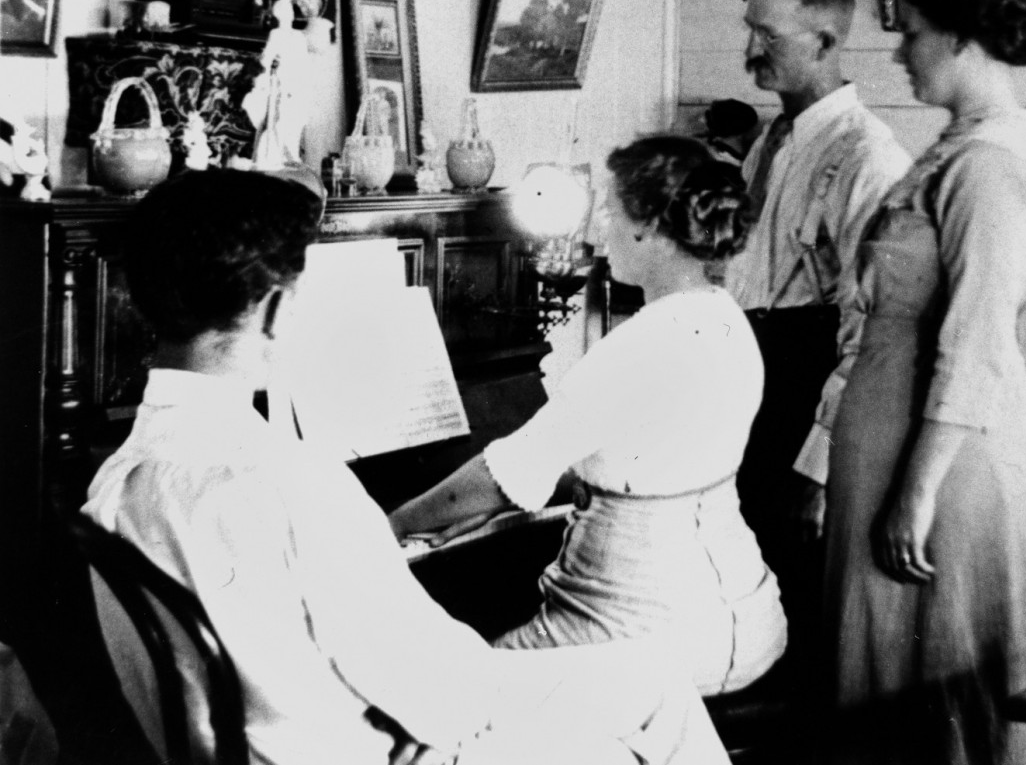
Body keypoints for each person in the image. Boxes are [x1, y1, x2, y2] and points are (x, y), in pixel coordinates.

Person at [84, 169, 729, 765]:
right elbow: (447, 700)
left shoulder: (112, 483)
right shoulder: (286, 480)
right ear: (276, 311)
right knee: (648, 706)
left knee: (644, 679)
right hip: (384, 751)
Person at [391, 136, 787, 697]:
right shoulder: (726, 319)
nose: (599, 229)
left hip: (642, 641)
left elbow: (490, 480)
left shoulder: (641, 344)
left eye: (609, 210)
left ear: (647, 224)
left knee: (442, 696)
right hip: (745, 618)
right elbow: (652, 460)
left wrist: (390, 526)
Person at [822, 0, 1026, 765]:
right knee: (900, 692)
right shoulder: (955, 147)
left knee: (949, 691)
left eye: (913, 34)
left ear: (961, 37)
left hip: (949, 472)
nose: (900, 52)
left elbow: (976, 341)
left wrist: (914, 493)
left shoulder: (989, 165)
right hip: (901, 446)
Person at [725, 0, 909, 739]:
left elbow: (875, 327)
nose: (751, 48)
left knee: (798, 598)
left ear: (827, 37)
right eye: (750, 27)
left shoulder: (869, 156)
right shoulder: (772, 138)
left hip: (803, 385)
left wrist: (817, 464)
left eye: (768, 33)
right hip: (750, 369)